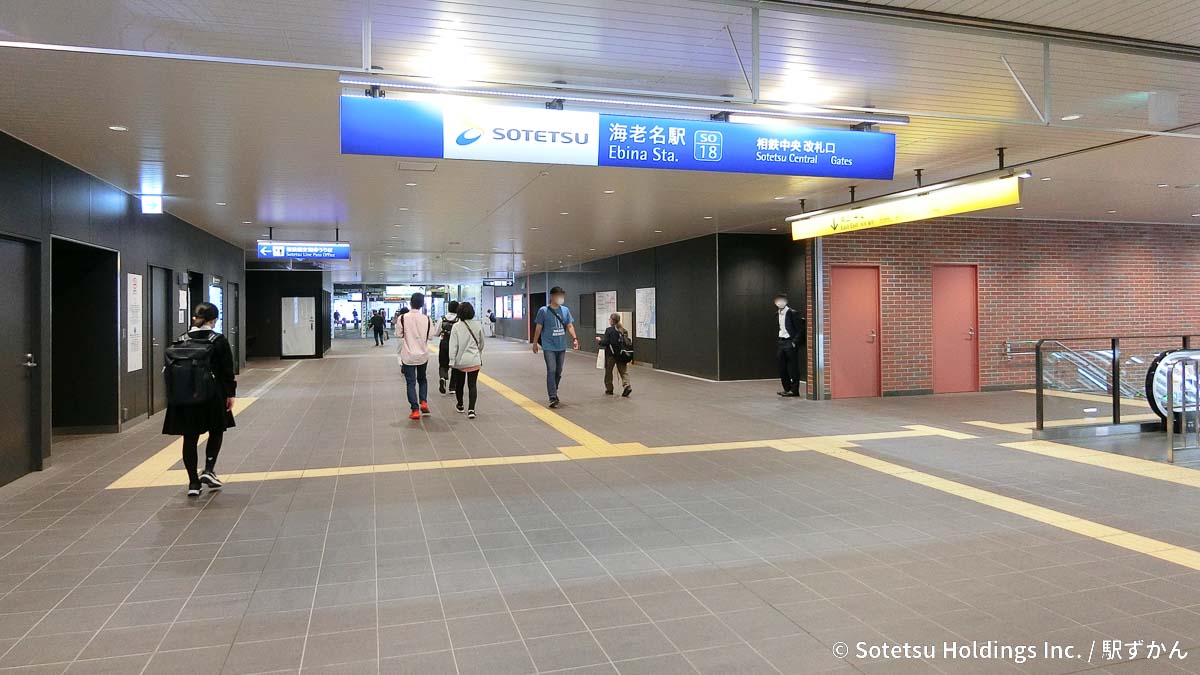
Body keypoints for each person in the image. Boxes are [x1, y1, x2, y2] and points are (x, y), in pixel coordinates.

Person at [162, 302, 236, 496]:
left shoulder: (180, 339)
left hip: (184, 397)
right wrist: (230, 394)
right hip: (212, 396)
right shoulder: (217, 340)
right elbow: (227, 370)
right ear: (213, 320)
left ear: (194, 318)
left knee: (190, 438)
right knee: (216, 431)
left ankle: (193, 484)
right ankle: (209, 469)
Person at [532, 286, 579, 408]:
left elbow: (569, 325)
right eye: (558, 296)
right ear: (552, 297)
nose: (561, 298)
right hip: (548, 346)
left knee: (558, 371)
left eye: (562, 296)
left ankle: (554, 389)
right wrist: (535, 342)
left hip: (561, 345)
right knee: (551, 370)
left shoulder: (565, 310)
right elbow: (538, 327)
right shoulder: (543, 310)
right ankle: (552, 396)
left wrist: (575, 338)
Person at [397, 292, 436, 420]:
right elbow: (431, 336)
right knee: (422, 379)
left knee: (411, 382)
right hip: (423, 354)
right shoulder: (427, 319)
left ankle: (415, 410)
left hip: (408, 355)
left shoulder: (402, 318)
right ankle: (423, 401)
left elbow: (398, 334)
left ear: (410, 303)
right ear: (422, 304)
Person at [448, 301, 484, 419]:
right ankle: (472, 410)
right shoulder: (478, 325)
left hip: (460, 361)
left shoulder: (456, 327)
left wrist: (452, 360)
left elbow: (453, 346)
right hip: (474, 360)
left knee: (460, 384)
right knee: (472, 385)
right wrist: (477, 353)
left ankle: (460, 405)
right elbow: (481, 343)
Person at [595, 312, 632, 397]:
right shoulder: (624, 330)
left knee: (608, 372)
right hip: (622, 354)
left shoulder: (609, 330)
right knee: (623, 372)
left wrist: (599, 340)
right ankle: (627, 385)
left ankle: (609, 389)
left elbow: (606, 342)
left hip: (611, 355)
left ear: (611, 320)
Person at [774, 293, 804, 398]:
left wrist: (794, 342)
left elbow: (800, 329)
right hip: (781, 342)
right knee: (781, 366)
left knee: (793, 367)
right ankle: (787, 388)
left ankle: (794, 390)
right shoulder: (777, 314)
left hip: (790, 342)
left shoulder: (793, 313)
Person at [437, 301, 460, 394]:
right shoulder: (459, 319)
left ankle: (443, 377)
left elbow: (436, 332)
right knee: (455, 365)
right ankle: (452, 387)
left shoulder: (442, 318)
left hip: (444, 343)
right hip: (456, 344)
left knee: (443, 363)